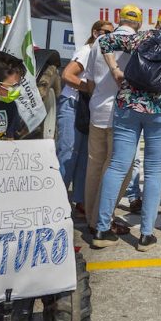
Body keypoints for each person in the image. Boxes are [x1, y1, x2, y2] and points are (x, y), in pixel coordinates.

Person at [92, 11, 161, 251]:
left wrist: (114, 69)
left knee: (117, 165)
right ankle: (145, 235)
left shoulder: (140, 38)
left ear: (158, 23)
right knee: (153, 171)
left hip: (128, 104)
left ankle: (102, 230)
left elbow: (104, 41)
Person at [83, 6, 142, 235]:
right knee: (121, 170)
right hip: (124, 112)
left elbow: (89, 79)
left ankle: (91, 218)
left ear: (119, 20)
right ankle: (101, 221)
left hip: (97, 109)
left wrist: (95, 100)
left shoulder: (100, 41)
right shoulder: (138, 43)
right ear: (138, 23)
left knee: (95, 167)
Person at [61, 21, 113, 213]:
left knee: (85, 157)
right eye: (104, 32)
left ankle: (81, 201)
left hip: (87, 108)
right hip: (72, 104)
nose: (107, 36)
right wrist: (91, 88)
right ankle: (58, 201)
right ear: (94, 32)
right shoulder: (88, 49)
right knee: (68, 154)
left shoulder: (102, 52)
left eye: (111, 33)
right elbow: (67, 75)